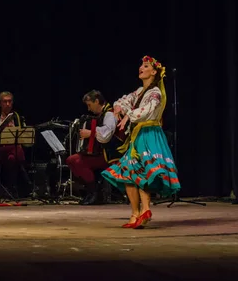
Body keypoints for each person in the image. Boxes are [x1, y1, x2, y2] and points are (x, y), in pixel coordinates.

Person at [102, 56, 181, 229]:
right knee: (130, 172)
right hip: (137, 135)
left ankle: (144, 209)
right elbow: (125, 100)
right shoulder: (139, 92)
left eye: (145, 66)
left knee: (142, 171)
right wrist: (118, 108)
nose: (141, 68)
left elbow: (147, 110)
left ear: (154, 72)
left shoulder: (155, 93)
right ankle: (136, 213)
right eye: (141, 65)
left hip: (149, 134)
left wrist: (129, 116)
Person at [66, 90, 119, 205]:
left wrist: (90, 133)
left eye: (89, 105)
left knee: (76, 161)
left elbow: (107, 134)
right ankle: (91, 191)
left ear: (96, 101)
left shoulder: (109, 114)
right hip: (100, 153)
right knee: (71, 160)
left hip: (109, 154)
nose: (89, 109)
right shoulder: (101, 115)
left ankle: (93, 192)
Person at [0, 91, 32, 197]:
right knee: (17, 150)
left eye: (9, 101)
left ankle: (8, 188)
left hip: (12, 152)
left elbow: (24, 134)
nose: (7, 104)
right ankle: (22, 182)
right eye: (5, 102)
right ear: (0, 103)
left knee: (12, 158)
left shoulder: (17, 116)